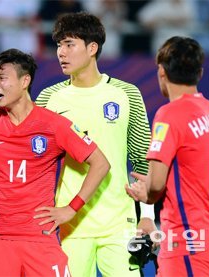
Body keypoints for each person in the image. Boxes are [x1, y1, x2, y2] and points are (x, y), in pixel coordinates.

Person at [0, 48, 110, 276]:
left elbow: (100, 163)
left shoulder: (54, 124)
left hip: (40, 237)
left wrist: (71, 209)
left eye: (2, 78)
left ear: (25, 81)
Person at [35, 12, 156, 276]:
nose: (61, 53)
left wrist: (147, 215)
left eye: (69, 44)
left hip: (119, 224)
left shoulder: (127, 94)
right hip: (70, 223)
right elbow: (35, 160)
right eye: (58, 45)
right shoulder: (48, 98)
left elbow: (142, 158)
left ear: (92, 48)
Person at [125, 36, 209, 276]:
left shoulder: (170, 114)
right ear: (200, 73)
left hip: (185, 241)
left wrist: (147, 190)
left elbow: (155, 187)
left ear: (161, 71)